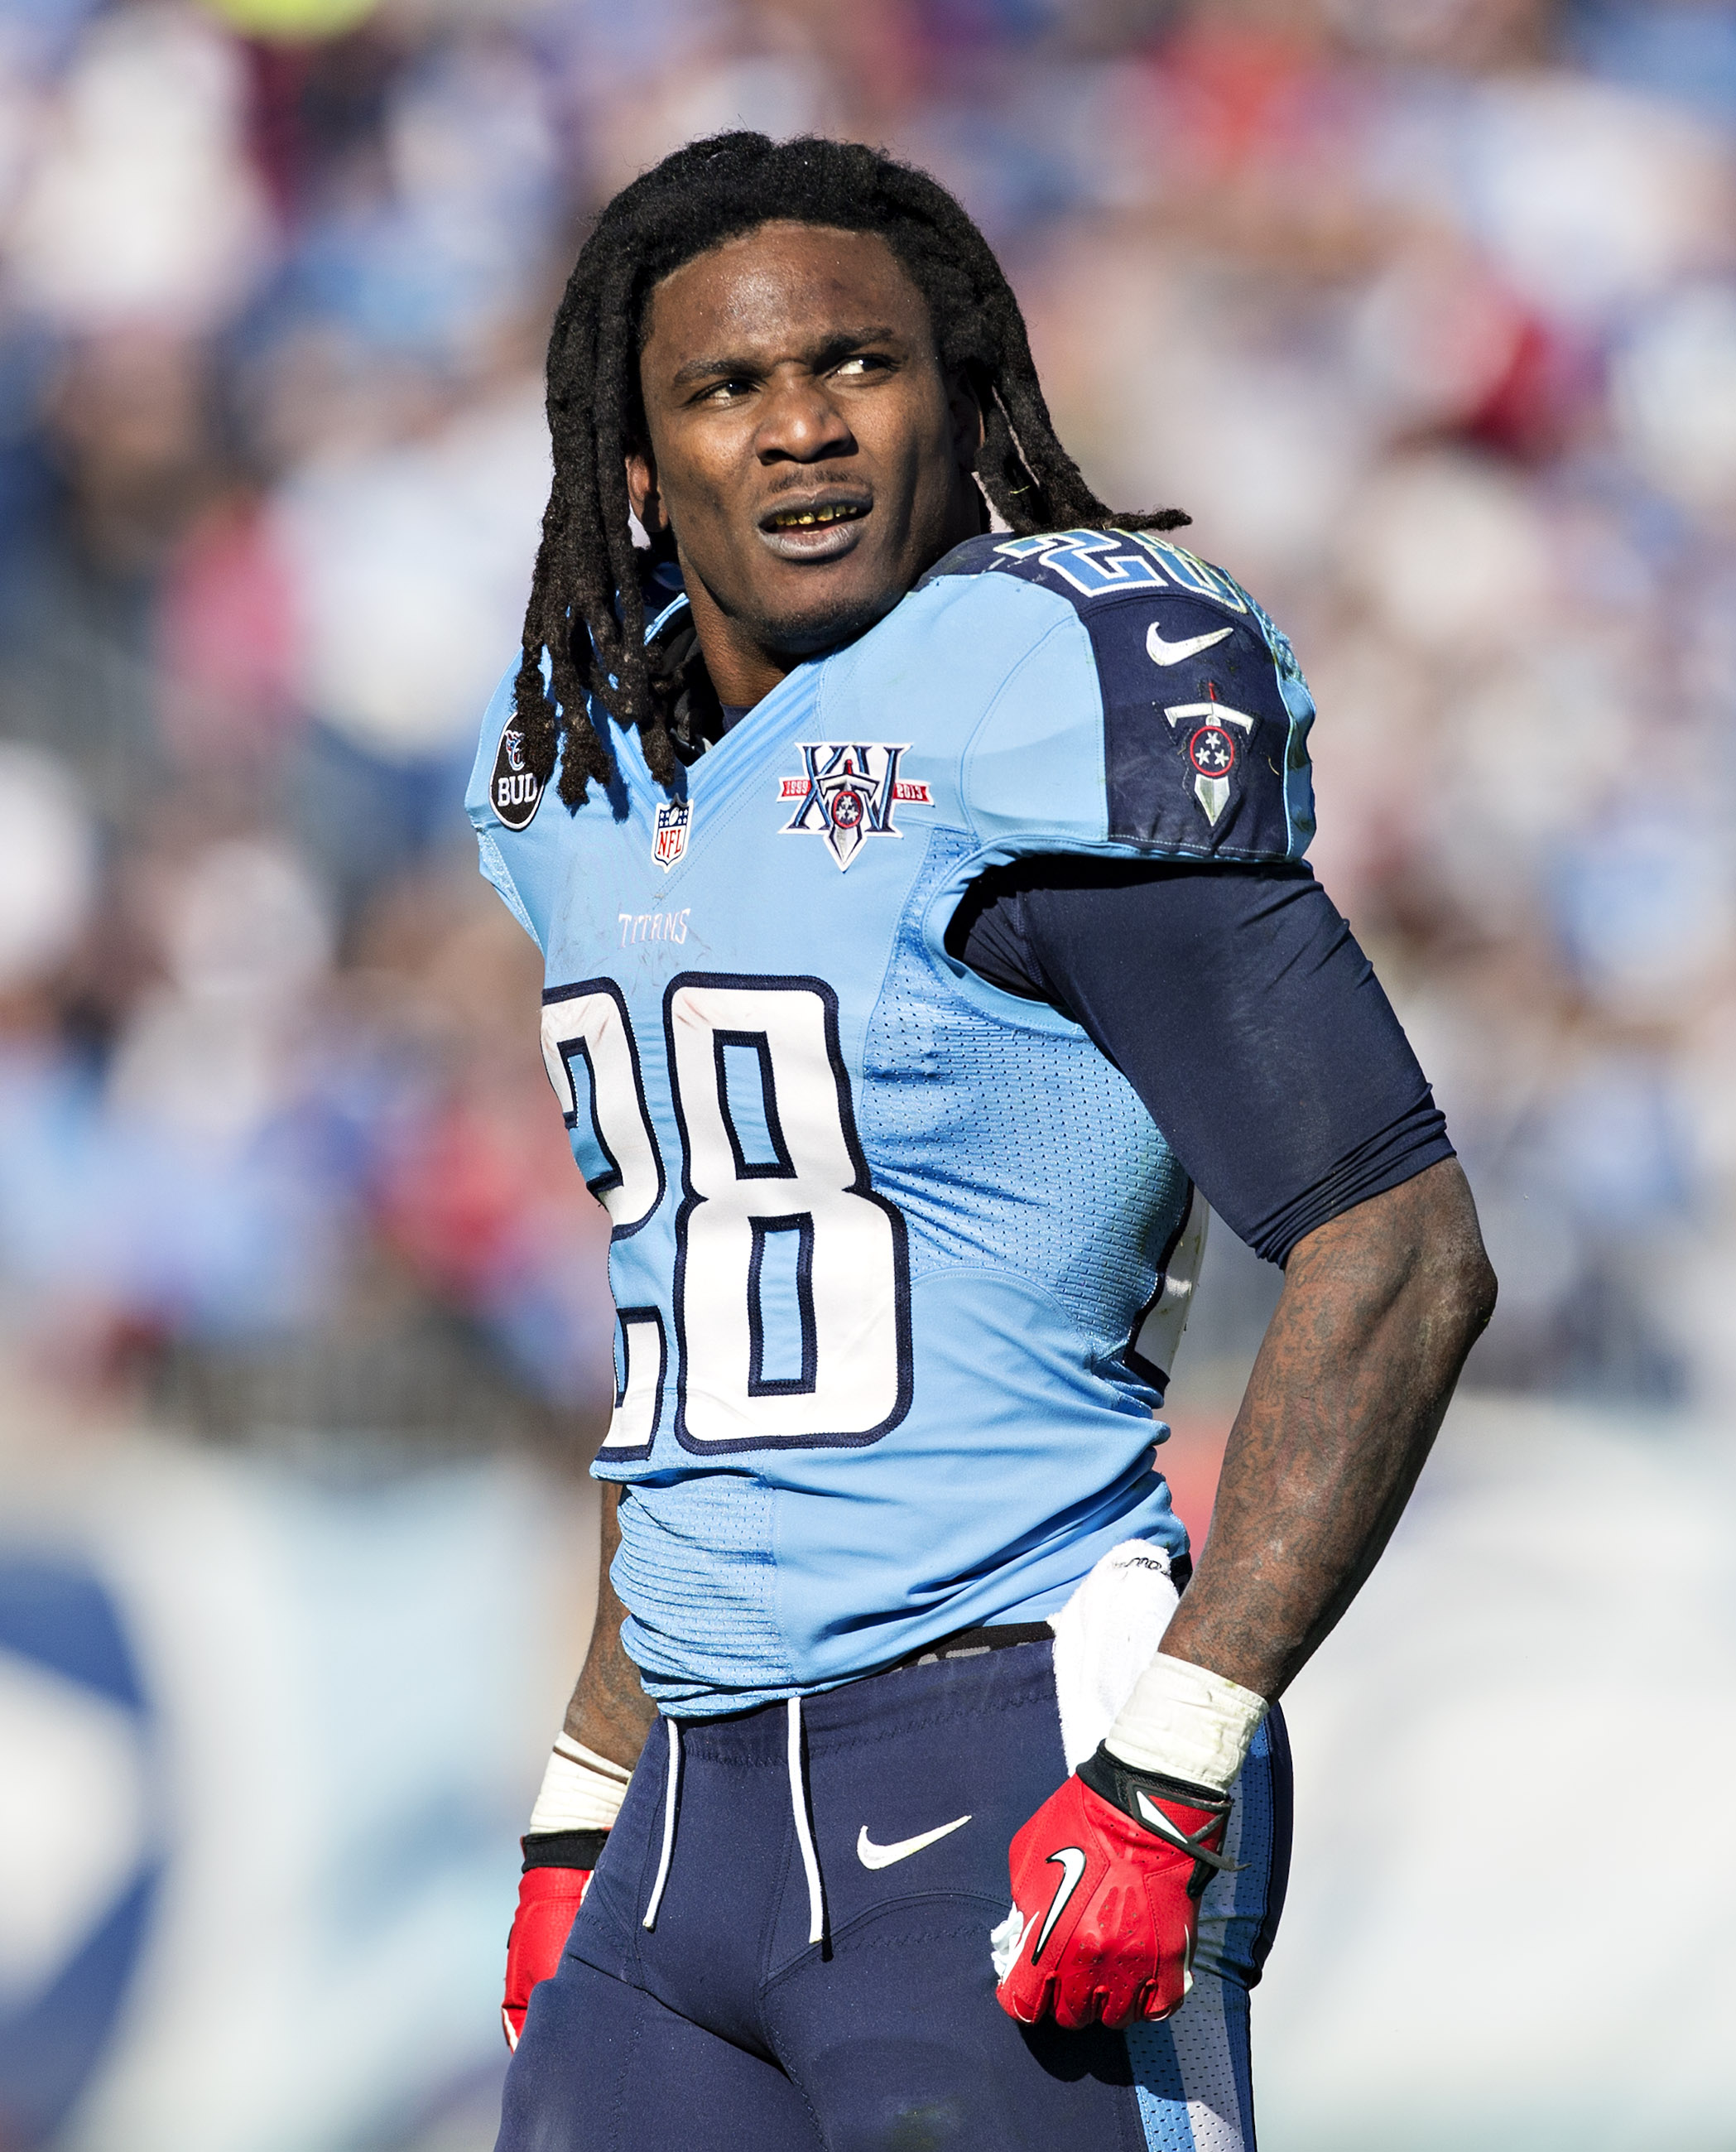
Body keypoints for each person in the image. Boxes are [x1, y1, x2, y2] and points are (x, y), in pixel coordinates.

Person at [470, 131, 1495, 2150]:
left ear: (961, 393)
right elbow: (711, 1325)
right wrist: (588, 1789)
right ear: (637, 461)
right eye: (726, 388)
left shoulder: (1032, 694)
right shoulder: (588, 767)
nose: (801, 428)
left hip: (1006, 1741)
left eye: (856, 364)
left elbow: (1402, 1242)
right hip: (685, 1819)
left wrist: (1174, 1750)